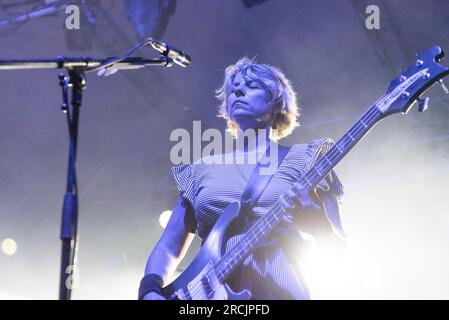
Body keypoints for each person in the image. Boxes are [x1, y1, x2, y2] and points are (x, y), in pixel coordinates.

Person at [139, 57, 346, 300]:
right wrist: (150, 290)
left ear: (277, 102)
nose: (237, 90)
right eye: (234, 87)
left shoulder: (307, 159)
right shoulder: (202, 170)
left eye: (251, 85)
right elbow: (169, 245)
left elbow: (341, 251)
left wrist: (322, 229)